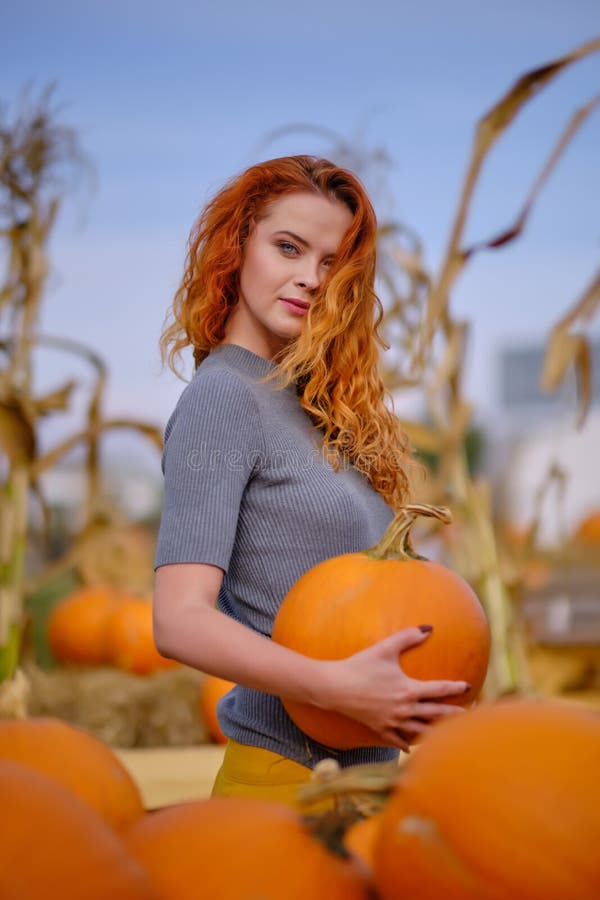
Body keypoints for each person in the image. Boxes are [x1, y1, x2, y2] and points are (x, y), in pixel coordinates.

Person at [153, 155, 469, 809]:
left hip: (369, 781)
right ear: (237, 246)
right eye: (288, 247)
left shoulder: (315, 407)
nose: (309, 279)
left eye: (332, 263)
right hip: (286, 782)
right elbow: (178, 619)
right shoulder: (226, 398)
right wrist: (336, 687)